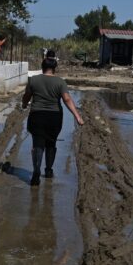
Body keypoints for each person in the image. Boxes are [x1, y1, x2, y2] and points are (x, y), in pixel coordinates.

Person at [22, 50, 84, 186]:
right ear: (54, 69)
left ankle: (36, 171)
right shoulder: (60, 82)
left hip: (37, 115)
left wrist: (24, 104)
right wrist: (77, 116)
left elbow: (27, 96)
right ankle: (49, 170)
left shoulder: (33, 80)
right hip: (54, 117)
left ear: (42, 67)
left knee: (37, 143)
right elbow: (67, 99)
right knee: (51, 143)